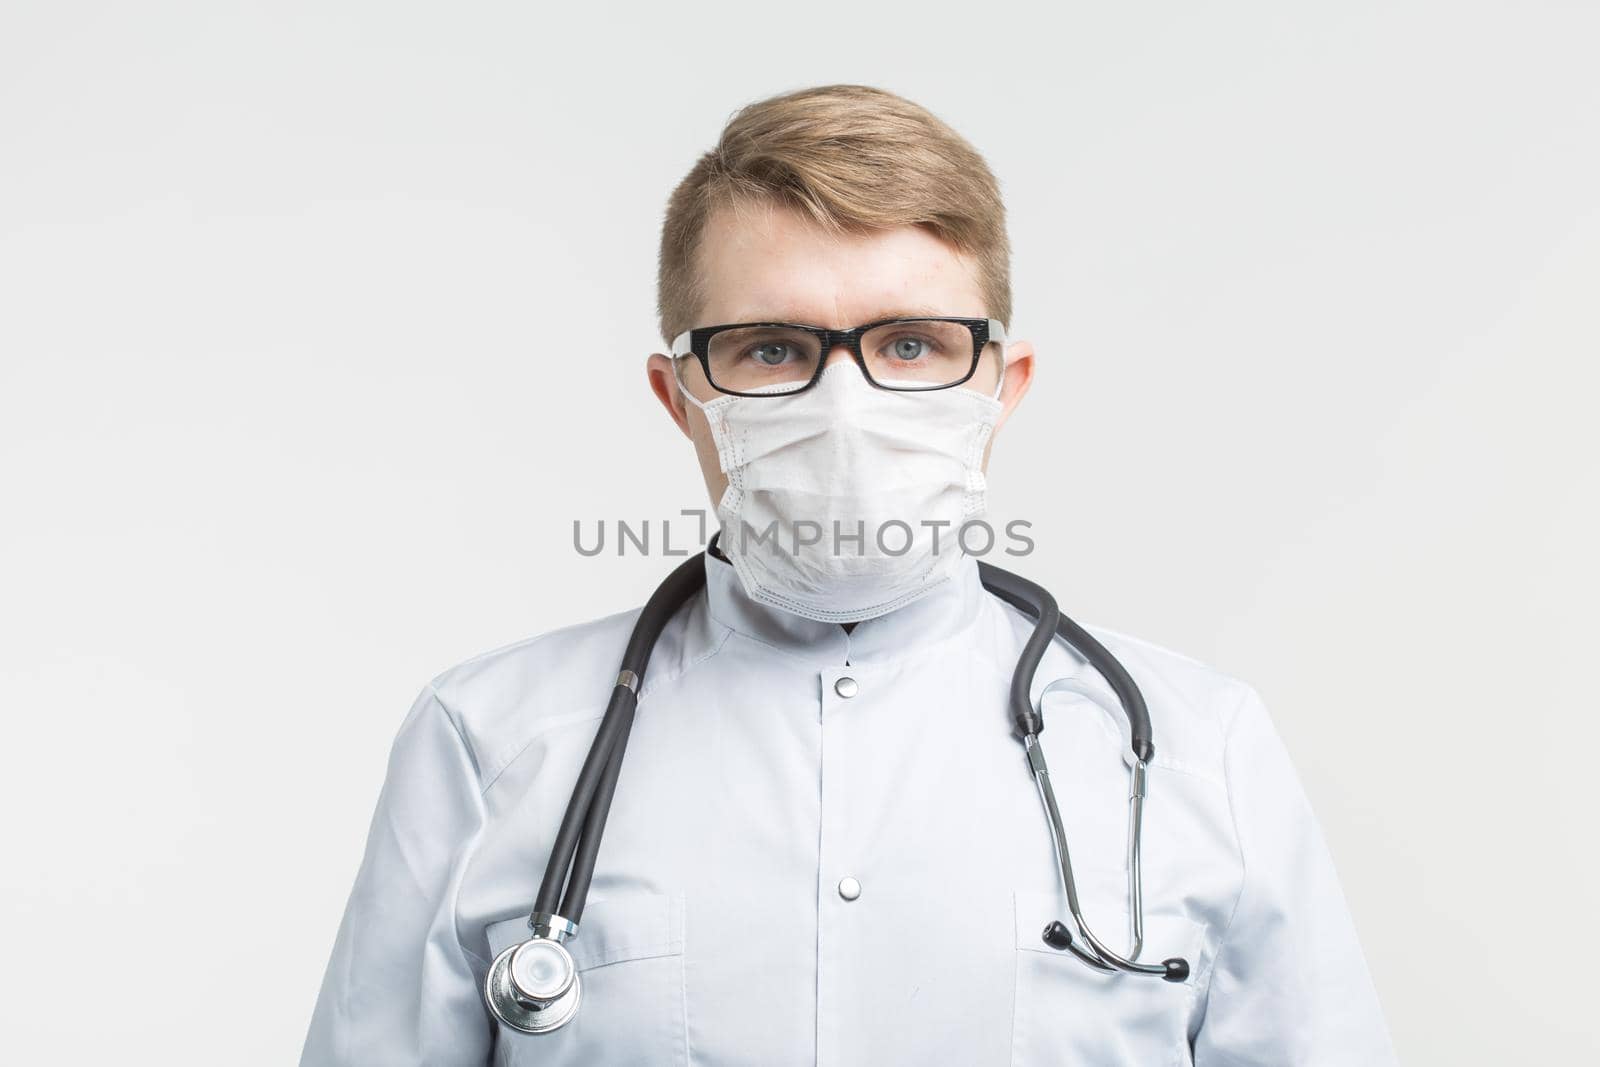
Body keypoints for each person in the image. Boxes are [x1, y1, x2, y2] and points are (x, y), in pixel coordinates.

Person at [300, 83, 1398, 1066]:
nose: (847, 405)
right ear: (680, 395)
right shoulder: (485, 742)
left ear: (1000, 385)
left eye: (912, 344)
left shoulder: (1199, 748)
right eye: (772, 347)